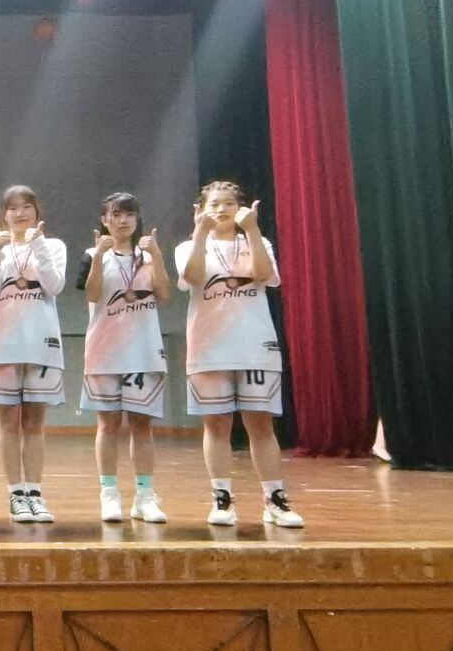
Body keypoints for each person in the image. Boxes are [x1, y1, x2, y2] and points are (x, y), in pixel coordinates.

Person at [175, 180, 304, 528]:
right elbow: (193, 277)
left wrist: (253, 231)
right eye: (214, 204)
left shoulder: (258, 242)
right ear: (201, 210)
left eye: (228, 203)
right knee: (216, 424)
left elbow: (264, 276)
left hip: (254, 346)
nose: (221, 210)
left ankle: (275, 500)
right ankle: (222, 499)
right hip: (208, 347)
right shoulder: (188, 246)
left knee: (260, 424)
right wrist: (200, 234)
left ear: (242, 207)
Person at [0, 185, 68, 523]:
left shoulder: (53, 246)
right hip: (3, 345)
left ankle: (35, 493)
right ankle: (15, 494)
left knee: (34, 423)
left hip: (41, 345)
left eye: (26, 206)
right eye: (13, 208)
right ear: (4, 215)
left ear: (36, 212)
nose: (20, 213)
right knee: (7, 422)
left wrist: (38, 246)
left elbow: (54, 285)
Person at [80, 191, 170, 523]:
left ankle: (145, 496)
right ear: (104, 220)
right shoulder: (93, 254)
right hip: (104, 352)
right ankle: (109, 494)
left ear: (137, 219)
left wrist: (156, 256)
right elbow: (91, 294)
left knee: (142, 425)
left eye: (129, 214)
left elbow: (164, 295)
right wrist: (98, 258)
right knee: (108, 425)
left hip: (144, 351)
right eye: (115, 214)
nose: (122, 220)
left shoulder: (148, 255)